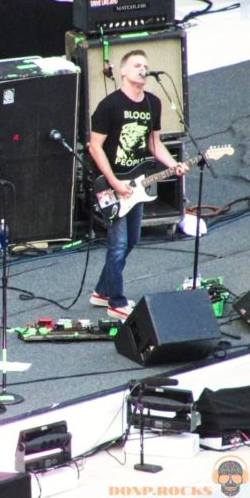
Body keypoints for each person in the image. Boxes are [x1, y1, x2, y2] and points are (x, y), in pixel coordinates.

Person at [87, 49, 188, 320]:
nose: (142, 69)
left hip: (137, 184)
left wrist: (173, 166)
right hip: (110, 184)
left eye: (145, 64)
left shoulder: (153, 103)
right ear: (123, 71)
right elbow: (94, 147)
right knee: (118, 244)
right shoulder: (110, 105)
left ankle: (101, 292)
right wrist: (114, 182)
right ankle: (116, 302)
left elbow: (154, 143)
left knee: (131, 240)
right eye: (136, 65)